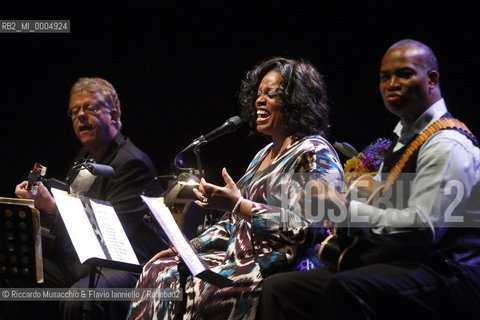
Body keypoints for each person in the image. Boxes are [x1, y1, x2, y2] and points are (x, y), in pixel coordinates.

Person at [259, 39, 480, 320]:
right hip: (412, 262)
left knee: (347, 288)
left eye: (405, 74)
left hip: (451, 272)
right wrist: (334, 198)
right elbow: (388, 203)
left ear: (432, 79)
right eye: (384, 77)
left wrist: (341, 209)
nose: (392, 83)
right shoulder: (408, 140)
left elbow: (422, 228)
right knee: (281, 288)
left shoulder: (447, 143)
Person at [127, 57, 344, 320]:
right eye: (259, 93)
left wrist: (239, 205)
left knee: (203, 288)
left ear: (297, 101)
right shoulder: (263, 154)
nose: (259, 101)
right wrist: (187, 247)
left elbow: (309, 226)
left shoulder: (313, 152)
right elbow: (232, 222)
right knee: (159, 269)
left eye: (271, 94)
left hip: (280, 265)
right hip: (236, 256)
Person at [9, 77, 164, 320]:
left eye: (90, 108)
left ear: (113, 115)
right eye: (74, 111)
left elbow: (111, 239)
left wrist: (52, 207)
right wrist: (40, 213)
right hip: (83, 264)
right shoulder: (85, 156)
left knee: (81, 297)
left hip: (128, 269)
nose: (80, 115)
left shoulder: (132, 164)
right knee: (15, 277)